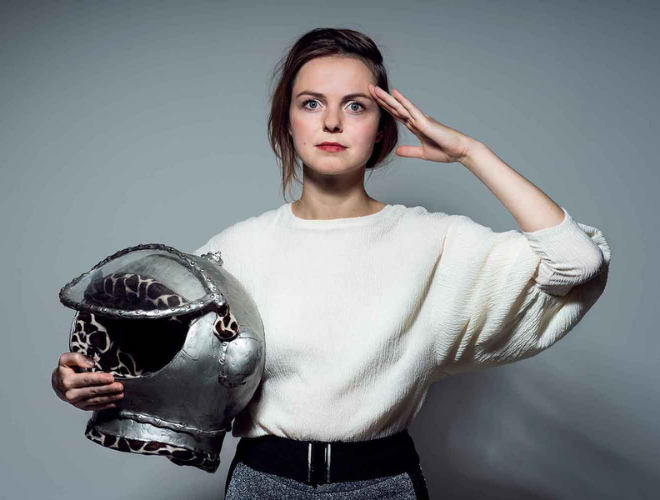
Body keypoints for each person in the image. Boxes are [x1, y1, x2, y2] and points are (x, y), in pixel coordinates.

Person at [52, 27, 610, 499]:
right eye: (312, 103)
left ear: (382, 126)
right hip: (262, 482)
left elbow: (576, 263)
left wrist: (470, 153)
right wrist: (74, 380)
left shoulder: (434, 241)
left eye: (357, 106)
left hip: (383, 483)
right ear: (287, 121)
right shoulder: (238, 247)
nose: (333, 123)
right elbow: (145, 355)